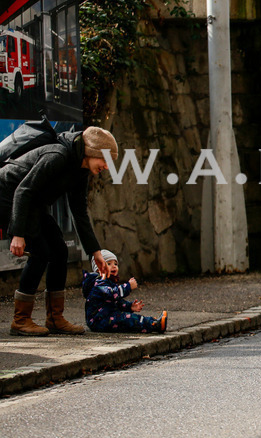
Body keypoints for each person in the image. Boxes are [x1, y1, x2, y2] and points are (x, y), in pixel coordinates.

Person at [3, 126, 117, 337]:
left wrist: (95, 252)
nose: (107, 167)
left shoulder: (80, 170)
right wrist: (17, 233)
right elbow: (23, 190)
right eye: (106, 160)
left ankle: (55, 318)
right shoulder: (58, 155)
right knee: (40, 252)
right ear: (92, 152)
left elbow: (79, 212)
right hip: (8, 197)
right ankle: (20, 320)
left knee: (59, 251)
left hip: (32, 204)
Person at [82, 250, 167, 333]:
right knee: (127, 319)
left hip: (107, 317)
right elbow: (113, 294)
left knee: (127, 319)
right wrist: (128, 286)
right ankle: (153, 324)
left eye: (115, 264)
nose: (114, 266)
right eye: (109, 264)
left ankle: (153, 321)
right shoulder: (99, 283)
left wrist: (129, 306)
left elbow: (117, 302)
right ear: (99, 268)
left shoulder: (108, 282)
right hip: (99, 320)